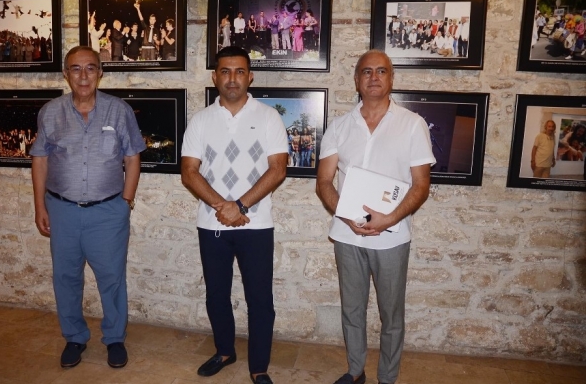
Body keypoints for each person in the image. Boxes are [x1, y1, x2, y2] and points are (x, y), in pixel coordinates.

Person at [315, 50, 435, 384]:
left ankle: (387, 378)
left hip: (392, 238)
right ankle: (355, 372)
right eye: (366, 72)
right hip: (347, 235)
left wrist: (390, 219)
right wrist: (347, 216)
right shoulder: (339, 127)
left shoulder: (412, 125)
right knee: (352, 309)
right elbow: (323, 182)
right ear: (357, 80)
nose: (374, 77)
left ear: (391, 78)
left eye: (381, 71)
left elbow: (421, 185)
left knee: (391, 315)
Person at [30, 46, 146, 370]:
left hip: (108, 212)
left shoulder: (119, 111)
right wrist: (39, 206)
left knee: (111, 278)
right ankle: (75, 338)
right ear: (66, 74)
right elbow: (40, 160)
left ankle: (115, 338)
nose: (83, 76)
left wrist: (126, 201)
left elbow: (133, 157)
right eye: (76, 69)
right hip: (62, 210)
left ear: (100, 73)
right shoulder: (50, 112)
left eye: (90, 68)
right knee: (66, 277)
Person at [180, 46, 287, 384]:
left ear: (250, 77)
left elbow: (278, 169)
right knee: (216, 295)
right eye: (225, 71)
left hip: (256, 224)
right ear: (215, 77)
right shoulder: (201, 120)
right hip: (211, 222)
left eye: (239, 71)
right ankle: (225, 351)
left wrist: (239, 206)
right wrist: (222, 206)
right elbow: (189, 172)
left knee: (260, 299)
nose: (232, 78)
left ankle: (259, 367)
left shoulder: (268, 117)